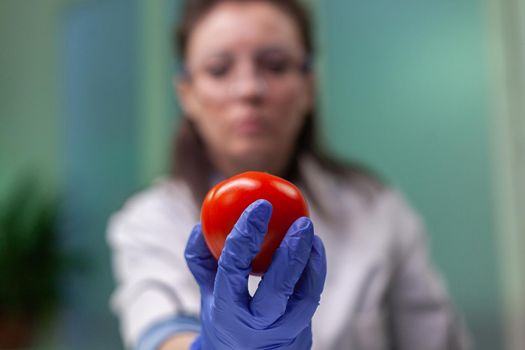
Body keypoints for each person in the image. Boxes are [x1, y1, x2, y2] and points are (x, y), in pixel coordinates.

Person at [107, 0, 471, 349]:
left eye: (276, 65)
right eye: (219, 69)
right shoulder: (150, 220)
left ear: (308, 87)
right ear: (187, 95)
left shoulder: (377, 210)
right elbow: (159, 333)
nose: (249, 89)